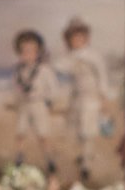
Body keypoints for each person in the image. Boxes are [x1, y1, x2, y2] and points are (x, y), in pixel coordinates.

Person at [56, 15, 112, 181]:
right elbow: (60, 67)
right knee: (77, 130)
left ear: (86, 38)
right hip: (76, 98)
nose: (77, 41)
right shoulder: (71, 57)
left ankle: (86, 164)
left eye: (80, 37)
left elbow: (102, 76)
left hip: (91, 98)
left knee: (88, 131)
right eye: (73, 38)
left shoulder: (93, 56)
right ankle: (84, 155)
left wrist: (104, 98)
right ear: (68, 40)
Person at [8, 29, 60, 174]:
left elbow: (53, 87)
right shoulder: (19, 70)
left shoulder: (44, 70)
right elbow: (15, 88)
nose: (28, 55)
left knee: (43, 134)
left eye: (31, 51)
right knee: (20, 132)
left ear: (39, 52)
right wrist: (16, 101)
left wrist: (49, 101)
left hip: (38, 104)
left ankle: (50, 159)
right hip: (24, 105)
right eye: (24, 51)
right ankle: (19, 157)